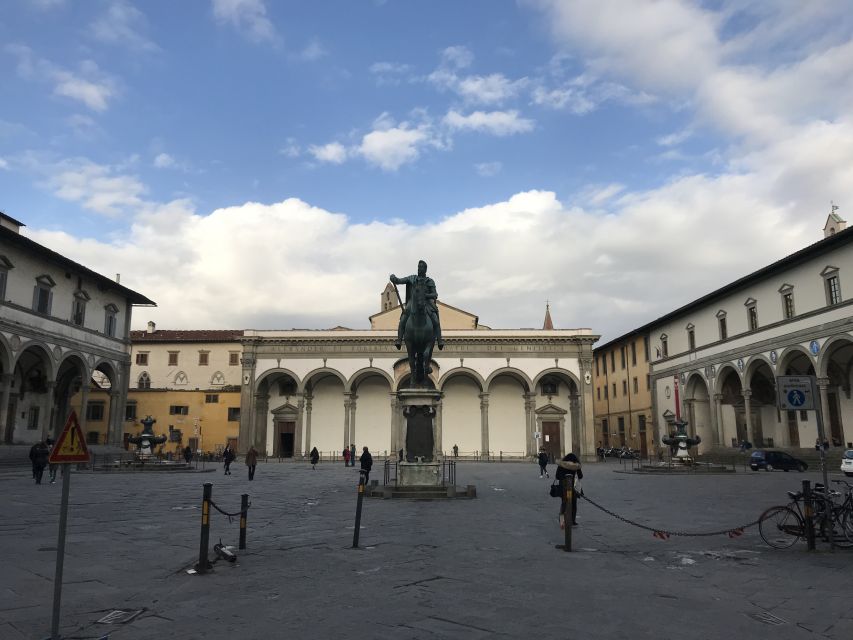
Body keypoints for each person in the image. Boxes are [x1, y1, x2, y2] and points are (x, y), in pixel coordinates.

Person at [390, 260, 445, 350]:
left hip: (427, 303)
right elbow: (399, 281)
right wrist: (394, 279)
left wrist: (425, 295)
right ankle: (399, 340)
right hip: (413, 303)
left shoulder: (430, 281)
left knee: (435, 319)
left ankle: (439, 340)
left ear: (425, 269)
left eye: (421, 267)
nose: (419, 269)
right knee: (403, 318)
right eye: (418, 267)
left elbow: (435, 294)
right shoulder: (412, 278)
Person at [556, 453, 583, 528]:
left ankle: (562, 521)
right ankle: (572, 521)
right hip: (572, 487)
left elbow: (557, 476)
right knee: (573, 504)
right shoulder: (576, 466)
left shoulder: (561, 464)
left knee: (564, 503)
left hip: (563, 487)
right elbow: (580, 476)